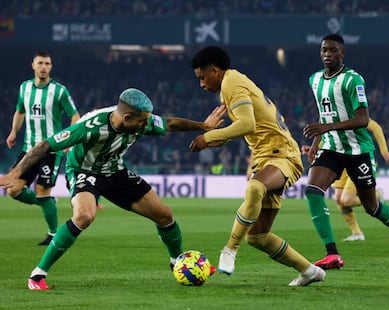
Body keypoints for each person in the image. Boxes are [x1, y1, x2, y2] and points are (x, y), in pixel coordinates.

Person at [0, 88, 225, 291]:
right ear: (126, 117)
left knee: (165, 215)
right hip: (83, 172)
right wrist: (16, 172)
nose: (146, 125)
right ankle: (38, 275)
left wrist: (203, 126)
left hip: (115, 172)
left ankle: (177, 261)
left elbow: (170, 123)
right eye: (142, 122)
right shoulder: (91, 127)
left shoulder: (141, 120)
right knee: (84, 216)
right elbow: (45, 145)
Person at [189, 46, 326, 287]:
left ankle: (229, 250)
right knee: (259, 237)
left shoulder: (232, 82)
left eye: (202, 77)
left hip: (283, 155)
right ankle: (309, 271)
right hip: (266, 158)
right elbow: (252, 126)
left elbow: (247, 125)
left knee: (254, 188)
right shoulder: (230, 85)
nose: (201, 84)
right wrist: (222, 138)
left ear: (215, 71)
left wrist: (207, 138)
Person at [303, 34, 389, 270]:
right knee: (312, 190)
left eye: (333, 50)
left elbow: (363, 119)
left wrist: (326, 128)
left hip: (358, 150)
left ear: (342, 54)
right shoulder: (314, 80)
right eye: (324, 50)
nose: (327, 54)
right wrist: (316, 143)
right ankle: (332, 253)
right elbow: (325, 115)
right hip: (332, 147)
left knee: (370, 206)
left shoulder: (354, 80)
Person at [5, 51, 80, 245]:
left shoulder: (59, 91)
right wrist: (13, 131)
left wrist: (69, 139)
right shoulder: (25, 88)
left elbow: (74, 116)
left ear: (51, 67)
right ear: (33, 65)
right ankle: (47, 204)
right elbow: (20, 111)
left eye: (47, 63)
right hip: (29, 149)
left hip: (51, 150)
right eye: (40, 63)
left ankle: (53, 234)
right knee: (13, 190)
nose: (43, 67)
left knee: (42, 189)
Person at [301, 118, 389, 242]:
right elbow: (333, 139)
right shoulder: (328, 113)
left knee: (347, 200)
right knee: (339, 200)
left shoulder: (349, 112)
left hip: (356, 158)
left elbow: (376, 127)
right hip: (338, 159)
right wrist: (314, 148)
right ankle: (357, 233)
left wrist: (384, 152)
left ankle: (377, 195)